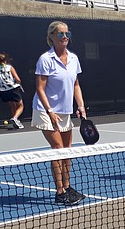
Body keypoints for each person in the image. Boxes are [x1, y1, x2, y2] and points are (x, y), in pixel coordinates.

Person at [31, 21, 87, 206]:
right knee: (57, 150)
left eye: (67, 34)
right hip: (45, 110)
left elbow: (76, 84)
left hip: (65, 111)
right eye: (61, 34)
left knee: (67, 152)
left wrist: (81, 106)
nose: (65, 37)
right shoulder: (45, 59)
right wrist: (50, 111)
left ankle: (68, 186)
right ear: (52, 37)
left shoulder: (73, 58)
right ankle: (60, 192)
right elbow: (40, 88)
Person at [0, 53, 25, 129]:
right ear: (6, 60)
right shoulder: (9, 67)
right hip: (12, 89)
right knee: (20, 105)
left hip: (3, 91)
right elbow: (18, 79)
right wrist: (19, 84)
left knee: (12, 105)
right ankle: (15, 118)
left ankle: (16, 121)